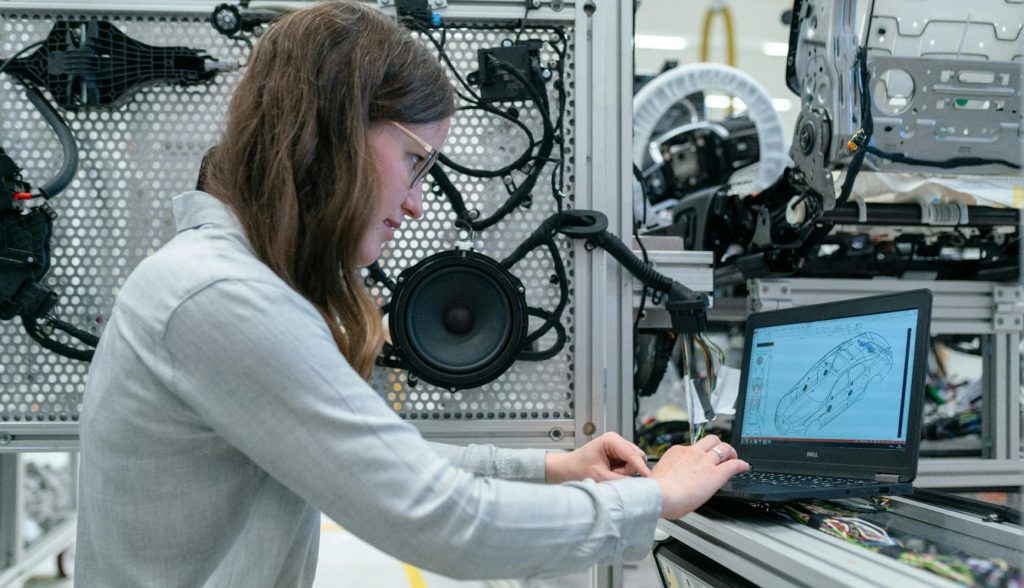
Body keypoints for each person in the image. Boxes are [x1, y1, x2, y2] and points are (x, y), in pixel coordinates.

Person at [75, 1, 748, 586]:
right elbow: (444, 521)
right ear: (331, 135)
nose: (418, 204)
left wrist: (553, 468)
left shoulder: (219, 281)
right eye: (415, 162)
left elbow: (368, 453)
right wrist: (654, 500)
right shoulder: (221, 297)